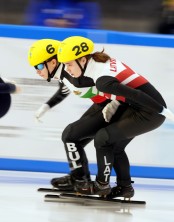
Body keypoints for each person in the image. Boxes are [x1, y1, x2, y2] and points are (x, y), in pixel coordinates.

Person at [57, 36, 174, 197]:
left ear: (82, 60)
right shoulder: (98, 64)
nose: (67, 69)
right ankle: (125, 187)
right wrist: (113, 102)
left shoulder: (102, 79)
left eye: (68, 64)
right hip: (138, 107)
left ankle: (102, 184)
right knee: (114, 146)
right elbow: (125, 91)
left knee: (103, 138)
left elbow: (136, 95)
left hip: (149, 112)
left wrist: (164, 112)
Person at [28, 39, 131, 196]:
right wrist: (46, 106)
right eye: (35, 67)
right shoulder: (65, 72)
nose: (37, 70)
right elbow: (64, 90)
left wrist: (117, 102)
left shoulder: (72, 73)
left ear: (53, 62)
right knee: (75, 138)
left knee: (70, 135)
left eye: (40, 66)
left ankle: (81, 180)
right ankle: (82, 178)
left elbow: (111, 80)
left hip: (113, 106)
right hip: (102, 104)